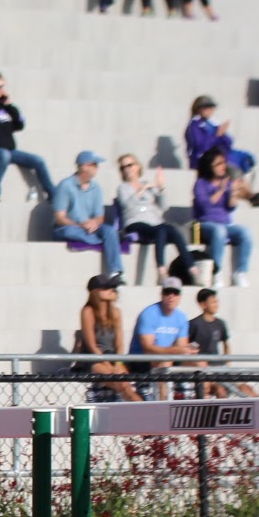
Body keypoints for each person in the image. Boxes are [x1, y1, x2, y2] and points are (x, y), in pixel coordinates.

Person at [0, 72, 53, 202]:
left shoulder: (3, 107)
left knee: (38, 160)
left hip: (8, 150)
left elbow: (20, 124)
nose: (0, 90)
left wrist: (9, 105)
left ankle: (52, 193)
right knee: (4, 155)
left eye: (1, 87)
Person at [52, 151, 124, 278]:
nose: (97, 168)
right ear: (84, 166)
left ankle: (115, 271)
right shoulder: (65, 185)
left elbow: (100, 217)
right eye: (94, 165)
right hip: (71, 227)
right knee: (70, 232)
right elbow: (59, 217)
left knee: (109, 231)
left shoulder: (96, 188)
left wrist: (94, 223)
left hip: (89, 228)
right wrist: (79, 225)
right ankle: (102, 241)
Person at [116, 154, 190, 276]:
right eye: (123, 167)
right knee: (161, 230)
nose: (127, 169)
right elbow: (127, 205)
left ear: (137, 166)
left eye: (130, 165)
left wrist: (161, 188)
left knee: (172, 230)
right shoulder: (123, 188)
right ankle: (161, 269)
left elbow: (163, 206)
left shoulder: (147, 184)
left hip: (154, 222)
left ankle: (192, 268)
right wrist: (141, 190)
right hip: (135, 222)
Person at [193, 150, 256, 288]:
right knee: (219, 231)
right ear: (209, 166)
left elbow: (230, 207)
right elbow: (205, 207)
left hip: (225, 223)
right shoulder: (201, 183)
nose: (223, 167)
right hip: (205, 224)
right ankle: (216, 272)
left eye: (223, 163)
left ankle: (240, 272)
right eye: (218, 164)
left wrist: (233, 192)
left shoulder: (226, 183)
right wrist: (220, 191)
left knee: (245, 233)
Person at [75, 274, 141, 403]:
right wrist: (108, 365)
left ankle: (147, 413)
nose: (112, 290)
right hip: (93, 359)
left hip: (112, 357)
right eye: (107, 288)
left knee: (126, 385)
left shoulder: (115, 312)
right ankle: (148, 414)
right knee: (121, 384)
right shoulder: (88, 311)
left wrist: (117, 363)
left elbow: (120, 343)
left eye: (113, 288)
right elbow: (91, 345)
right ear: (95, 291)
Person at [185, 289, 258, 399]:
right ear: (203, 304)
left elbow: (226, 344)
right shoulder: (194, 324)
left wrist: (227, 362)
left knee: (247, 389)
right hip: (204, 369)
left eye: (217, 301)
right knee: (220, 391)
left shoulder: (220, 323)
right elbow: (186, 346)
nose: (216, 304)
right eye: (213, 302)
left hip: (220, 367)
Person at [132, 285, 197, 400]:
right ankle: (164, 404)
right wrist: (177, 351)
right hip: (142, 360)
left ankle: (203, 403)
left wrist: (188, 351)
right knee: (163, 363)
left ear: (179, 296)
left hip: (167, 357)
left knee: (200, 363)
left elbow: (182, 347)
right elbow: (148, 348)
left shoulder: (181, 317)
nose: (171, 296)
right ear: (161, 295)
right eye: (167, 292)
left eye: (175, 293)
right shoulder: (149, 313)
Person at [184, 95, 258, 176]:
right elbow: (201, 146)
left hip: (218, 156)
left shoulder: (211, 124)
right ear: (199, 109)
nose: (210, 110)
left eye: (211, 107)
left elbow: (228, 143)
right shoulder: (194, 125)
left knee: (245, 157)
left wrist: (222, 134)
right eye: (207, 107)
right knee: (231, 165)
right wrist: (217, 135)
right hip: (203, 160)